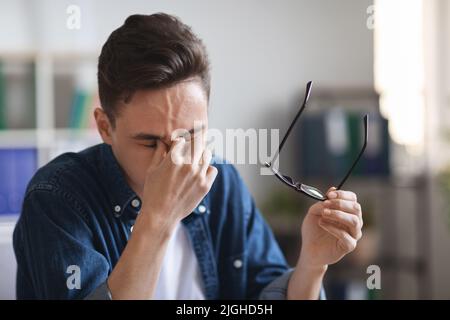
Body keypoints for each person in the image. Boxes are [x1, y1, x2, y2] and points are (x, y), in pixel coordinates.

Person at [13, 13, 363, 300]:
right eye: (150, 142)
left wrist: (313, 264)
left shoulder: (221, 182)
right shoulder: (57, 198)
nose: (176, 160)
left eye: (190, 135)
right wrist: (158, 218)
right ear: (105, 127)